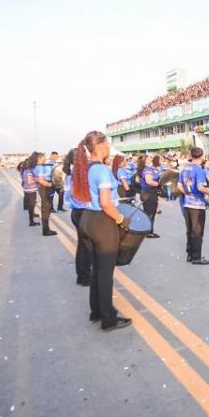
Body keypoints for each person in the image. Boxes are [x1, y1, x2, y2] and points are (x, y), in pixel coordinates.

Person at [74, 131, 132, 332]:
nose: (109, 147)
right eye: (107, 143)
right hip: (102, 222)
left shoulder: (87, 168)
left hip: (87, 220)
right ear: (99, 146)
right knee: (106, 273)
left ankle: (96, 311)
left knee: (96, 270)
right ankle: (109, 318)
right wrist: (121, 220)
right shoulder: (102, 171)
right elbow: (106, 203)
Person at [177, 147, 209, 265]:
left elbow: (179, 187)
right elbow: (200, 187)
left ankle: (190, 254)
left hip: (187, 204)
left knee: (190, 230)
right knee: (198, 232)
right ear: (202, 157)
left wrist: (188, 193)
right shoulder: (199, 170)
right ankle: (197, 257)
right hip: (197, 206)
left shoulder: (184, 169)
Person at [63, 149, 92, 286]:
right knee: (86, 246)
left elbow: (69, 200)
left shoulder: (70, 174)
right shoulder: (79, 175)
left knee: (82, 245)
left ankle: (81, 275)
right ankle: (85, 276)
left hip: (76, 212)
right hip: (83, 212)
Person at [34, 153, 57, 236]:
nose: (45, 159)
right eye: (44, 158)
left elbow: (35, 178)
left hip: (41, 188)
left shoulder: (36, 166)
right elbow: (41, 180)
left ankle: (46, 229)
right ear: (40, 158)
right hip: (44, 188)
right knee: (46, 209)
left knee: (45, 208)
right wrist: (49, 184)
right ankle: (46, 230)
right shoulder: (40, 167)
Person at [140, 155, 161, 238]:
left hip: (150, 192)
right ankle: (149, 232)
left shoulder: (148, 168)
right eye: (149, 158)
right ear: (145, 161)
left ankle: (149, 231)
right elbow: (149, 181)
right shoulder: (147, 169)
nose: (150, 159)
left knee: (150, 213)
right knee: (150, 213)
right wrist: (159, 185)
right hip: (149, 192)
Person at [21, 152, 40, 227]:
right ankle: (31, 222)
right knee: (32, 206)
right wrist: (38, 180)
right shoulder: (29, 169)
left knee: (31, 206)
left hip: (27, 189)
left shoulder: (26, 168)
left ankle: (31, 220)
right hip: (31, 190)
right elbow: (29, 181)